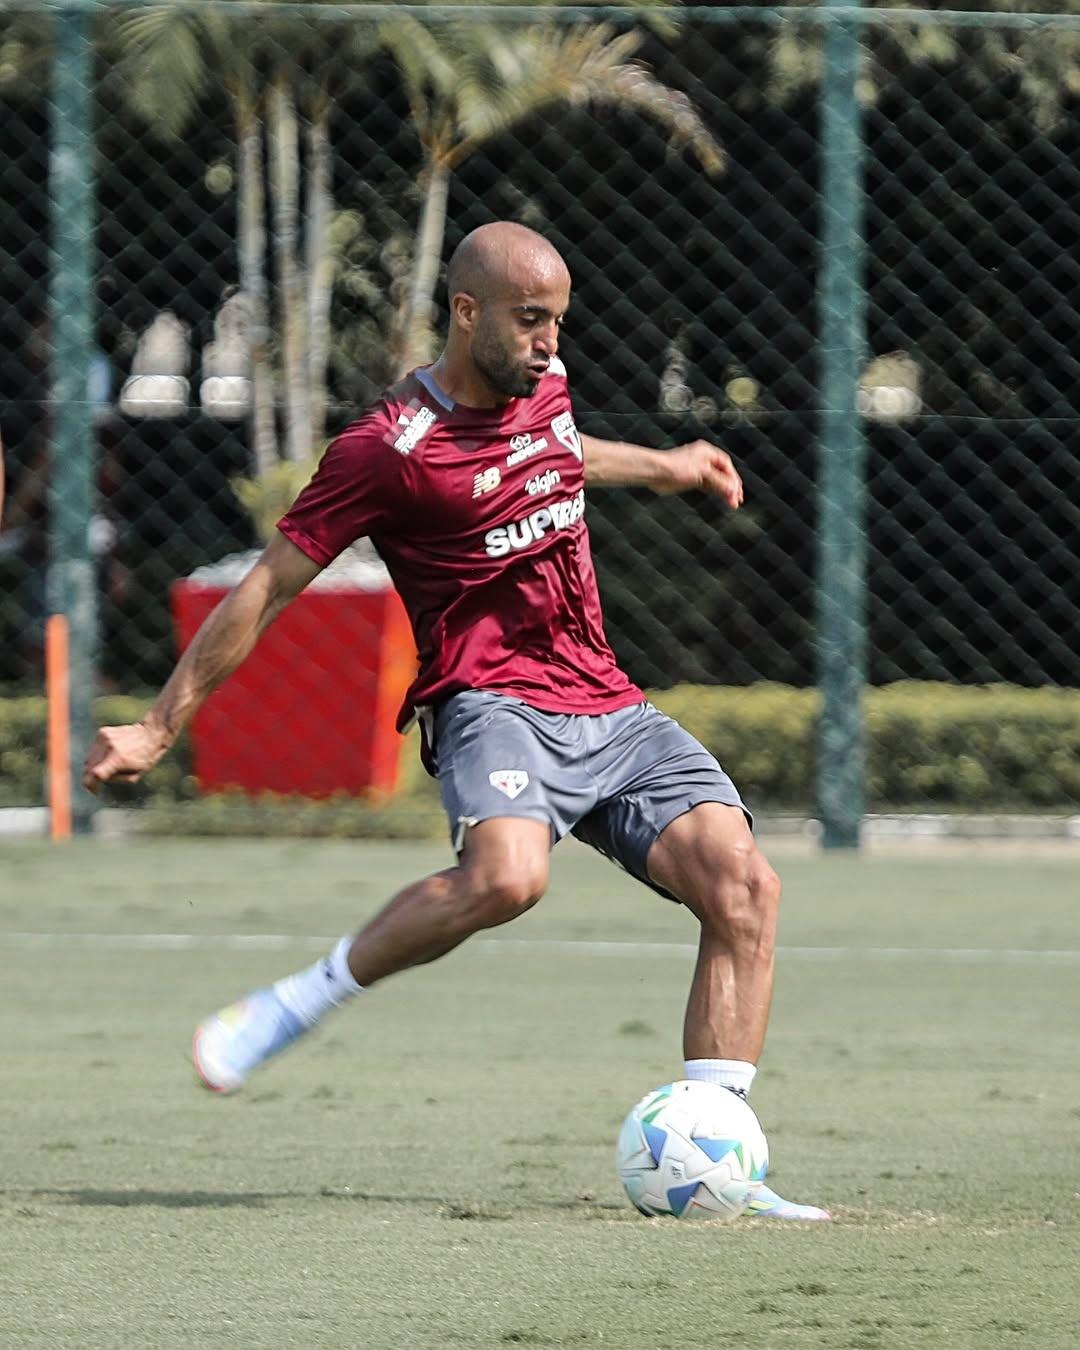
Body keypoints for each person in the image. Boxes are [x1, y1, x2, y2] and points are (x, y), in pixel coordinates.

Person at [83, 222, 828, 1222]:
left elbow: (562, 452)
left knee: (745, 885)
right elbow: (266, 586)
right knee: (509, 879)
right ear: (466, 312)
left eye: (559, 322)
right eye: (531, 320)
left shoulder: (543, 388)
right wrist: (160, 727)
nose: (550, 344)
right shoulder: (386, 451)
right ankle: (294, 1004)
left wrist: (670, 465)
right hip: (492, 705)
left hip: (603, 698)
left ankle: (715, 1158)